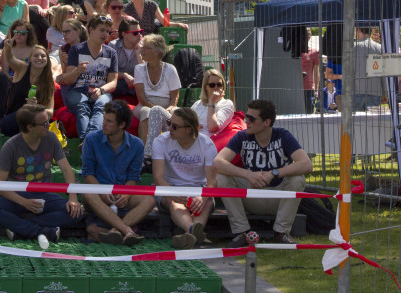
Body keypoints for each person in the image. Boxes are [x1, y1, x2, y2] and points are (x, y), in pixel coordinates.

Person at [0, 104, 83, 249]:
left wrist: (73, 198)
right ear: (29, 127)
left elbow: (66, 169)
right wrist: (24, 202)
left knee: (77, 211)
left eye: (48, 121)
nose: (49, 126)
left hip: (44, 194)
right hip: (16, 196)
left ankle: (20, 228)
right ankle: (43, 231)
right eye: (44, 124)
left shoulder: (51, 138)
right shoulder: (11, 146)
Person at [214, 99, 313, 247]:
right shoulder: (242, 136)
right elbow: (218, 162)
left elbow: (306, 164)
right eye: (246, 117)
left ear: (267, 122)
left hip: (277, 197)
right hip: (251, 195)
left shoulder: (282, 136)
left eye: (252, 119)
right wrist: (248, 174)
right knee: (222, 177)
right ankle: (242, 232)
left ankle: (281, 233)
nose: (246, 121)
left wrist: (274, 173)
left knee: (297, 179)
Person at [82, 101, 153, 245]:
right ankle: (126, 230)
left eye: (109, 121)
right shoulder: (91, 139)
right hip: (98, 192)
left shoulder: (137, 145)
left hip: (122, 192)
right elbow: (88, 173)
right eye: (104, 119)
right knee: (88, 194)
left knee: (149, 200)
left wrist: (126, 193)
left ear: (122, 125)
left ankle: (114, 231)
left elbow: (133, 177)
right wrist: (101, 190)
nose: (104, 124)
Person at [152, 107, 218, 249]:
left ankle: (190, 235)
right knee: (174, 201)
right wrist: (172, 192)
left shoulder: (207, 144)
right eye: (169, 123)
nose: (169, 129)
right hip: (169, 187)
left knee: (206, 203)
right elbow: (158, 178)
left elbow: (212, 182)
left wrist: (202, 197)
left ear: (189, 129)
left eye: (175, 126)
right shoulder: (161, 141)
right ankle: (194, 231)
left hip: (198, 188)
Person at [61, 15, 118, 141]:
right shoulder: (76, 49)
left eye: (107, 31)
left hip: (101, 91)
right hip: (78, 91)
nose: (105, 34)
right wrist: (77, 71)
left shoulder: (111, 53)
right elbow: (68, 79)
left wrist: (101, 90)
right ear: (91, 29)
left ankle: (88, 141)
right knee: (82, 107)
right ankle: (89, 142)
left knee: (101, 106)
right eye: (101, 30)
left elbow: (113, 82)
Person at [135, 34, 181, 164]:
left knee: (176, 114)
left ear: (157, 52)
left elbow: (175, 96)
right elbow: (141, 97)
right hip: (144, 105)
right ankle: (144, 156)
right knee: (146, 112)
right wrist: (155, 109)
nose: (142, 50)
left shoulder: (170, 69)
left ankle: (170, 155)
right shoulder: (139, 68)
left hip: (167, 105)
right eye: (142, 47)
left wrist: (170, 108)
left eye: (146, 48)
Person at [0, 43, 55, 136]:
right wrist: (8, 48)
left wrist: (36, 107)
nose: (39, 58)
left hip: (32, 123)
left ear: (47, 59)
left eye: (43, 56)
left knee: (31, 115)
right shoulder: (22, 69)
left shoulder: (48, 82)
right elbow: (10, 59)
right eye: (36, 56)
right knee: (27, 114)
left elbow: (50, 111)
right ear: (30, 59)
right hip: (11, 121)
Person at [123, 0, 188, 35]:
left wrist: (178, 24)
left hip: (150, 40)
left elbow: (164, 22)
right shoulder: (126, 8)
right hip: (133, 40)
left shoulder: (151, 5)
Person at [190, 69, 235, 137]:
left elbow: (212, 128)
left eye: (219, 84)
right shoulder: (197, 103)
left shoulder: (227, 103)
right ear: (205, 87)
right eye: (212, 85)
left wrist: (212, 102)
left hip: (209, 140)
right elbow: (185, 122)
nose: (216, 88)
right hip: (191, 137)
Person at [109, 19, 144, 98]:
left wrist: (139, 54)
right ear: (124, 34)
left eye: (140, 31)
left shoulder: (144, 46)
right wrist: (124, 75)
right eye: (135, 33)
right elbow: (107, 71)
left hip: (136, 84)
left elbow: (146, 74)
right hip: (117, 83)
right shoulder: (113, 46)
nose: (139, 35)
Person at [353, 27, 384, 111]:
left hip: (357, 89)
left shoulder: (354, 47)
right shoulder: (379, 47)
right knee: (373, 117)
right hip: (375, 89)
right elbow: (383, 71)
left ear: (359, 30)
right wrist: (384, 91)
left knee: (355, 118)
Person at [55, 18, 87, 84]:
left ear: (77, 31)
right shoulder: (63, 49)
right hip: (71, 83)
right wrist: (66, 64)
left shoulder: (87, 46)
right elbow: (64, 75)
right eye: (63, 32)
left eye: (67, 31)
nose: (64, 35)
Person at [300, 28, 320, 114]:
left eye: (308, 34)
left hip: (309, 88)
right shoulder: (294, 52)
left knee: (309, 114)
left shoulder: (314, 52)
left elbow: (316, 72)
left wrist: (316, 90)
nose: (307, 36)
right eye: (305, 34)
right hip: (296, 88)